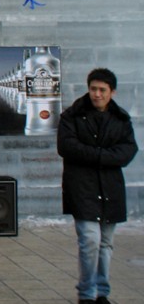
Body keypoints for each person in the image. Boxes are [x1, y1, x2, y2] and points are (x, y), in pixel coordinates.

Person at [57, 68, 138, 304]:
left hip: (110, 189)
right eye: (93, 89)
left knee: (106, 243)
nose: (97, 94)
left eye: (102, 90)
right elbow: (67, 147)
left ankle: (102, 291)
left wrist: (96, 156)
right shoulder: (73, 116)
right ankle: (87, 293)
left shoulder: (120, 119)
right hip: (82, 187)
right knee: (90, 240)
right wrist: (103, 156)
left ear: (112, 92)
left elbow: (127, 151)